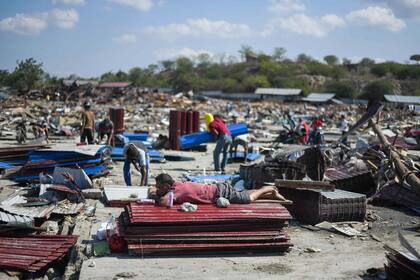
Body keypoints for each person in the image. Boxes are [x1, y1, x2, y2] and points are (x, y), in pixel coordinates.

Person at [154, 173, 287, 207]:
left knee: (248, 199)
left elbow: (162, 202)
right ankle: (270, 194)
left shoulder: (177, 190)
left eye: (159, 187)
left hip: (220, 192)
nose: (158, 189)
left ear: (166, 186)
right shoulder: (177, 184)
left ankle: (267, 188)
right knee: (242, 195)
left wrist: (155, 194)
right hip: (219, 189)